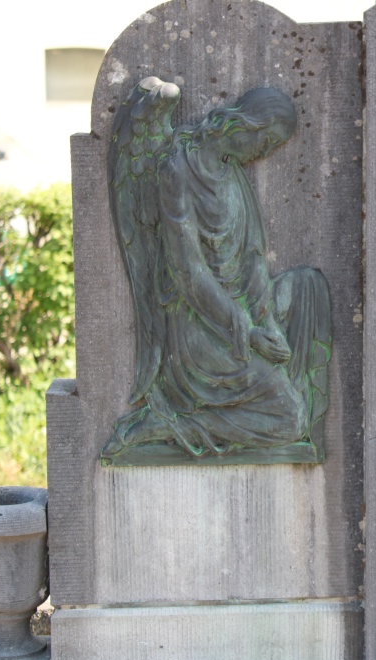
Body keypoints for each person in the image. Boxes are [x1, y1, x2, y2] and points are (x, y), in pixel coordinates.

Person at [103, 81, 330, 459]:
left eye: (273, 147)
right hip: (201, 327)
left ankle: (232, 402)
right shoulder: (176, 168)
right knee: (290, 420)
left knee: (308, 285)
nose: (265, 152)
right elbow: (188, 271)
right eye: (266, 141)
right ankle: (166, 424)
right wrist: (248, 331)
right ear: (244, 123)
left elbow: (254, 261)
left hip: (239, 315)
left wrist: (268, 323)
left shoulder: (233, 175)